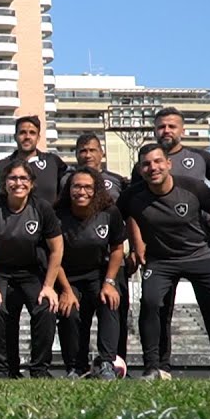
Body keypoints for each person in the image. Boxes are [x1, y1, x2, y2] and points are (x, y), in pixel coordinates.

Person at [119, 144, 210, 379]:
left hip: (199, 255)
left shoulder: (193, 187)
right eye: (146, 164)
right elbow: (117, 220)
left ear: (168, 164)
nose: (153, 167)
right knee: (151, 303)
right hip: (160, 260)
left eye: (157, 162)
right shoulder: (133, 196)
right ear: (140, 170)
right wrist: (134, 247)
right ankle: (155, 367)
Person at [0, 159, 64, 378]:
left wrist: (50, 286)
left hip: (31, 271)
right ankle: (1, 370)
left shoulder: (41, 208)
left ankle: (39, 369)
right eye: (12, 178)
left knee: (46, 306)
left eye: (23, 178)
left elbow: (57, 248)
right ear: (5, 183)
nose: (18, 183)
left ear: (32, 183)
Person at [53, 168, 126, 379]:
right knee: (70, 312)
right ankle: (76, 367)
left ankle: (106, 362)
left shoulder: (109, 212)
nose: (82, 191)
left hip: (97, 274)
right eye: (77, 186)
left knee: (109, 302)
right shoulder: (58, 215)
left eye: (87, 187)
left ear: (96, 190)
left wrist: (109, 282)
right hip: (67, 276)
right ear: (69, 189)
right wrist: (65, 290)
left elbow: (117, 249)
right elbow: (53, 256)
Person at [74, 132, 131, 360]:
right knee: (80, 315)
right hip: (79, 259)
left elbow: (131, 216)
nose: (87, 155)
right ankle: (79, 364)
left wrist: (135, 249)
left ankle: (117, 363)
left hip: (112, 260)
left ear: (102, 153)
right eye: (82, 151)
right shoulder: (69, 180)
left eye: (92, 150)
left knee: (116, 310)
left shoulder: (117, 181)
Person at [0, 116, 66, 206]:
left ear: (38, 138)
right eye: (22, 132)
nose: (27, 137)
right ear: (15, 137)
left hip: (48, 219)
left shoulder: (53, 162)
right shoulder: (3, 165)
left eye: (32, 133)